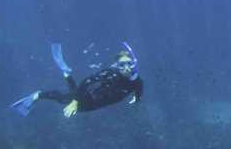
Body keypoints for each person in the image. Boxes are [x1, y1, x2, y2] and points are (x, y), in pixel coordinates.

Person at [11, 43, 144, 118]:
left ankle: (66, 72)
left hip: (97, 104)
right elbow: (86, 82)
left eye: (129, 64)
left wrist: (137, 97)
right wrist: (75, 102)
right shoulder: (110, 74)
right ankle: (38, 95)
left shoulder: (136, 80)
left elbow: (139, 86)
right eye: (122, 65)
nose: (126, 68)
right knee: (65, 99)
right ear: (116, 66)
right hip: (88, 99)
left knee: (72, 93)